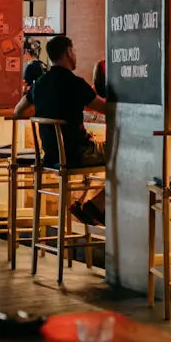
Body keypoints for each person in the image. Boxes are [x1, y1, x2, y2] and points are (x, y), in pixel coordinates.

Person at [16, 35, 108, 224]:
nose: (75, 55)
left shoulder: (40, 84)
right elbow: (108, 109)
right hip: (78, 155)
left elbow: (18, 111)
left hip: (50, 156)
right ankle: (96, 206)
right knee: (125, 155)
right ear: (68, 52)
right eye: (73, 51)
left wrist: (44, 112)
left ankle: (85, 206)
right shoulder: (75, 83)